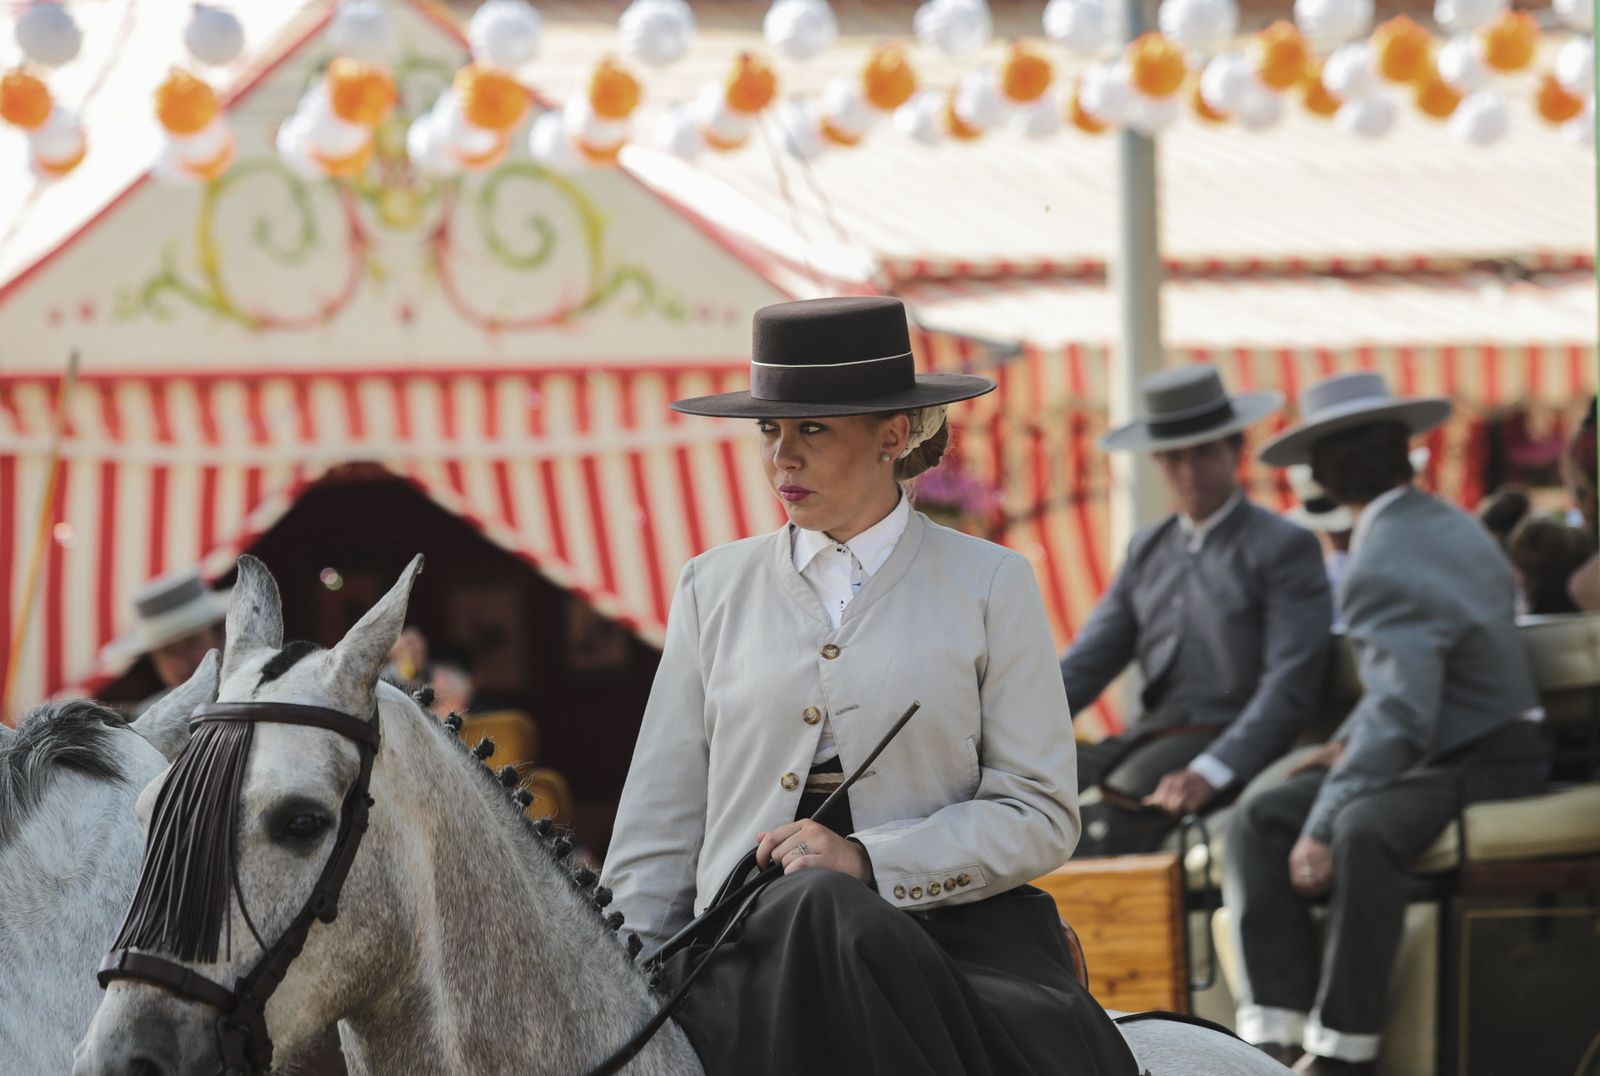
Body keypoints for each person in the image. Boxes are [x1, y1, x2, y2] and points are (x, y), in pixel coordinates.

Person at [601, 296, 1136, 1076]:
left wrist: (867, 861)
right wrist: (629, 974)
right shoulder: (708, 588)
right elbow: (661, 817)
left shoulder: (990, 582)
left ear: (893, 436)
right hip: (742, 950)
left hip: (947, 942)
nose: (782, 456)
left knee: (822, 902)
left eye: (812, 428)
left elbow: (1042, 811)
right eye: (769, 430)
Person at [1229, 372, 1549, 1074]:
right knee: (1260, 817)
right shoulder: (1445, 520)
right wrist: (1344, 753)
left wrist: (1325, 816)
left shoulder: (1384, 552)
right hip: (1457, 744)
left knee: (1358, 827)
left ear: (1323, 472)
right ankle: (1272, 1040)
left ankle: (1343, 1052)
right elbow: (1411, 696)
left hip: (1484, 757)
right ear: (1403, 453)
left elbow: (1404, 712)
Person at [1059, 364, 1332, 856]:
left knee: (1098, 828)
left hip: (1228, 735)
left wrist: (1212, 769)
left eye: (1203, 453)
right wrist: (1000, 734)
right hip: (1150, 735)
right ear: (1158, 462)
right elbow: (1085, 664)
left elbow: (1289, 687)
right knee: (1022, 802)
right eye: (1173, 458)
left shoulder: (1283, 546)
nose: (1189, 472)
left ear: (1236, 448)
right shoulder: (1149, 548)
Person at [100, 568, 228, 717]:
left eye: (191, 643)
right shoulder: (145, 724)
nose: (181, 662)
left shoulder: (256, 695)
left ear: (221, 634)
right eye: (167, 651)